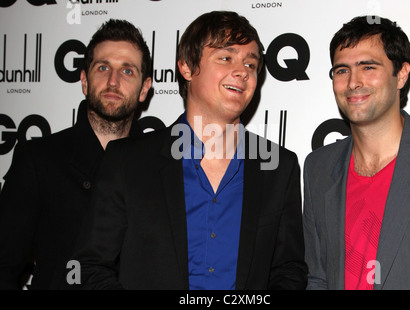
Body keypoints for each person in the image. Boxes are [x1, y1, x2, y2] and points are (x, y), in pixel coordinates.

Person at [74, 11, 307, 290]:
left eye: (251, 64)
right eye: (226, 57)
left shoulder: (279, 167)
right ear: (186, 67)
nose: (242, 71)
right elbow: (90, 267)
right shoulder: (127, 162)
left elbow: (288, 270)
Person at [0, 19, 152, 289]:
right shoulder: (39, 160)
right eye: (103, 67)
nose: (113, 81)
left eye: (127, 71)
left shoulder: (159, 167)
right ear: (84, 80)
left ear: (144, 89)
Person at [302, 15, 410, 290]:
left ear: (401, 74)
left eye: (368, 67)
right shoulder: (318, 166)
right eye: (342, 70)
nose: (353, 82)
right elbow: (317, 276)